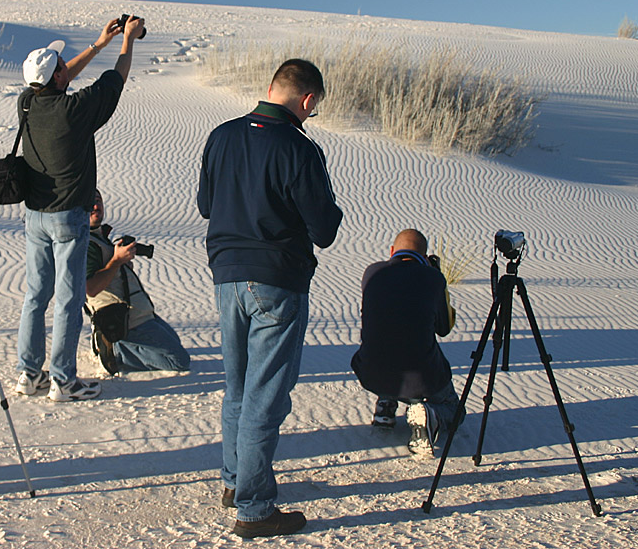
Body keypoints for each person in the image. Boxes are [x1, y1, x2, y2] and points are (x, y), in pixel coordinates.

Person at [197, 59, 343, 538]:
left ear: (270, 89)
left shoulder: (220, 135)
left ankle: (235, 482)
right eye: (314, 106)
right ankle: (255, 508)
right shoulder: (300, 149)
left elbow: (205, 205)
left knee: (238, 386)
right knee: (266, 395)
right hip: (277, 280)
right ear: (308, 101)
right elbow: (324, 229)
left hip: (226, 276)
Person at [14, 15, 145, 402]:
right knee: (69, 302)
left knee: (35, 298)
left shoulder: (26, 103)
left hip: (34, 217)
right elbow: (116, 79)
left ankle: (28, 374)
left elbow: (57, 77)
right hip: (68, 219)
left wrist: (98, 43)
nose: (64, 71)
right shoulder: (76, 110)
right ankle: (63, 381)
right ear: (56, 78)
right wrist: (127, 41)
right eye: (60, 68)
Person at [350, 228, 464, 458]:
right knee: (455, 411)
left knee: (389, 338)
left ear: (392, 251)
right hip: (421, 379)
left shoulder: (372, 271)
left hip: (371, 372)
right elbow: (444, 328)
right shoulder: (433, 279)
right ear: (425, 255)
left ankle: (386, 404)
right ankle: (428, 415)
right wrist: (439, 283)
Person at [85, 189, 190, 375]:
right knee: (178, 361)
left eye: (98, 201)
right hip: (122, 319)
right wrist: (117, 261)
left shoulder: (101, 238)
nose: (96, 206)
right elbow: (91, 288)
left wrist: (121, 263)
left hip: (140, 314)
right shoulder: (87, 244)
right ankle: (113, 349)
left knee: (175, 343)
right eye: (90, 202)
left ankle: (116, 343)